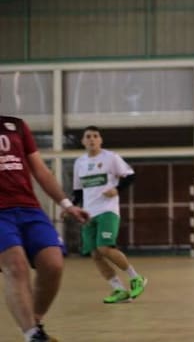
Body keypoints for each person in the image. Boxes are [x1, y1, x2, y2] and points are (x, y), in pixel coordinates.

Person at [0, 115, 89, 342]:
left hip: (29, 209)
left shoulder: (16, 125)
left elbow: (40, 170)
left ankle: (35, 322)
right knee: (16, 266)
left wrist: (67, 205)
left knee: (53, 263)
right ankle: (32, 335)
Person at [72, 126, 147, 304]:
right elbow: (78, 191)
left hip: (107, 210)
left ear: (100, 140)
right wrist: (72, 207)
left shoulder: (111, 157)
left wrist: (117, 189)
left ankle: (136, 278)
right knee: (95, 254)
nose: (92, 139)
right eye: (88, 136)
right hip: (88, 213)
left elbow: (130, 176)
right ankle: (118, 289)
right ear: (83, 141)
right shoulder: (79, 163)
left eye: (95, 136)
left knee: (104, 247)